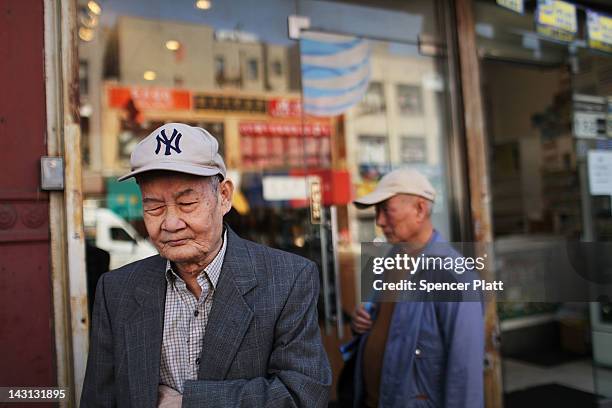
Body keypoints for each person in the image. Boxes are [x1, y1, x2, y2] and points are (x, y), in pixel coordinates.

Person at [81, 123, 331, 407]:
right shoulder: (116, 291)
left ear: (224, 197)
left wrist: (189, 402)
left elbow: (304, 394)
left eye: (187, 203)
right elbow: (99, 399)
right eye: (154, 207)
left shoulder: (288, 279)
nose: (171, 223)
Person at [350, 168, 484, 408]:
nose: (379, 221)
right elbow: (392, 327)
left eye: (386, 210)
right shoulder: (390, 258)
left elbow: (465, 371)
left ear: (420, 209)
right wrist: (365, 324)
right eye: (377, 211)